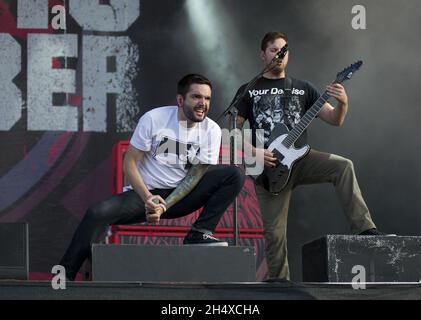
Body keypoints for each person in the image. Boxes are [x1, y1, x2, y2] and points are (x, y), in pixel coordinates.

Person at [232, 32, 389, 281]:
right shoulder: (249, 90)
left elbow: (334, 120)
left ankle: (365, 229)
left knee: (343, 166)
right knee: (274, 234)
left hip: (301, 160)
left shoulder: (303, 88)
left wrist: (343, 103)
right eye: (274, 50)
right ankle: (279, 284)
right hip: (268, 166)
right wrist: (254, 152)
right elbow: (231, 132)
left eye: (284, 50)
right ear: (263, 54)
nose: (279, 55)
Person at [60, 74, 245, 281]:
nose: (203, 103)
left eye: (208, 98)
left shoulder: (211, 129)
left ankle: (199, 233)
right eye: (196, 97)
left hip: (182, 196)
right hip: (144, 195)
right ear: (180, 100)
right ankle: (64, 277)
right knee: (96, 213)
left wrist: (164, 206)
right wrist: (149, 199)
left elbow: (195, 176)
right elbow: (129, 163)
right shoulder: (155, 119)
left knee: (233, 174)